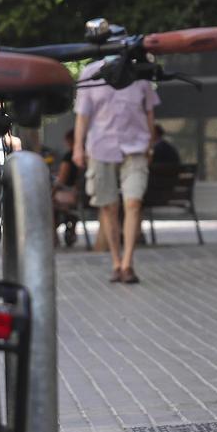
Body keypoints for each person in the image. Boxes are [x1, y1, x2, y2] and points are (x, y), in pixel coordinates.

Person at [73, 61, 160, 283]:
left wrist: (150, 143)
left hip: (136, 147)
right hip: (101, 147)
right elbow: (82, 115)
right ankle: (115, 261)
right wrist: (77, 148)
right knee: (109, 207)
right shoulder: (91, 73)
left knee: (133, 203)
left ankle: (128, 263)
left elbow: (149, 112)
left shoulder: (140, 72)